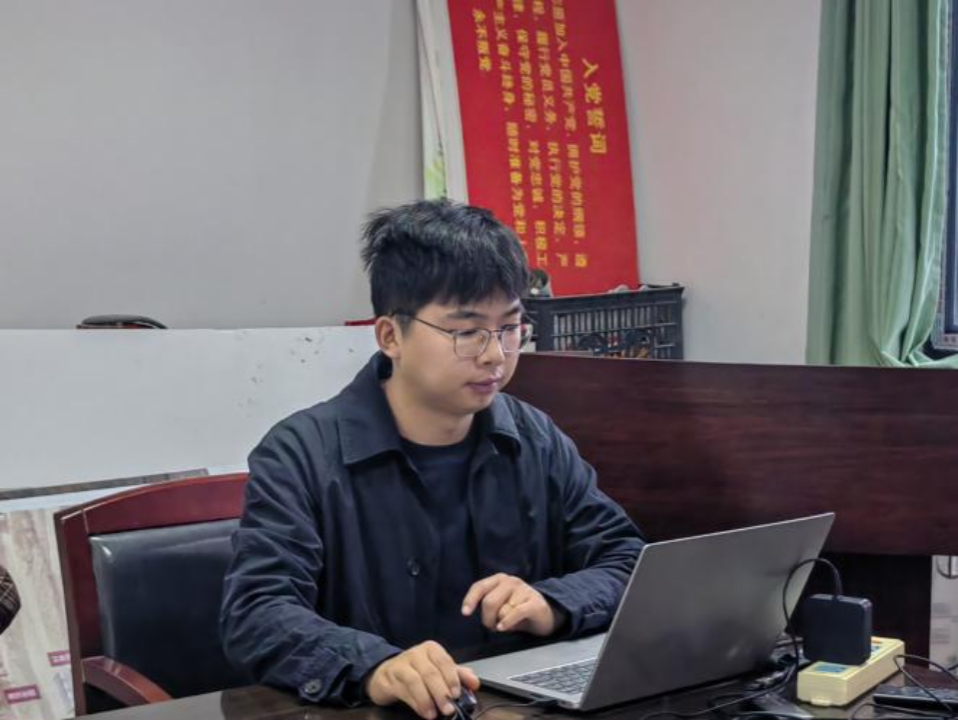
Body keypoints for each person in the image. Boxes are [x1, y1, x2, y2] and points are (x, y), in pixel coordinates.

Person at [220, 199, 644, 720]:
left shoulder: (534, 436)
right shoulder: (300, 454)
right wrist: (374, 666)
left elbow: (625, 559)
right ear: (390, 336)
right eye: (466, 331)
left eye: (510, 327)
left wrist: (554, 603)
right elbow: (257, 612)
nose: (495, 354)